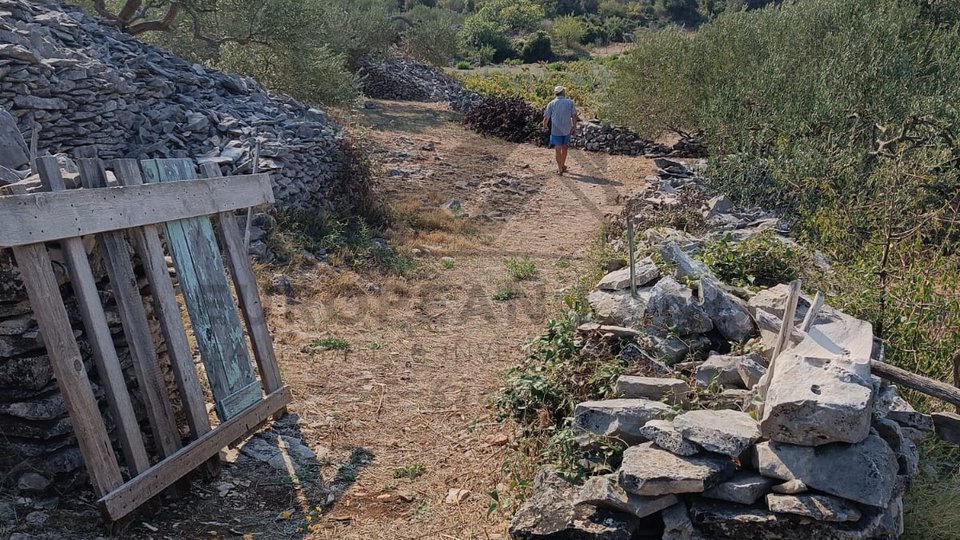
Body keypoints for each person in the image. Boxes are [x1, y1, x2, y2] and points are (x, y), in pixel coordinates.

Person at [542, 86, 579, 175]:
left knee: (557, 149)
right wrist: (574, 127)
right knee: (565, 148)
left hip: (555, 130)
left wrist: (545, 125)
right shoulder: (569, 102)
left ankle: (560, 168)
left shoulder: (551, 103)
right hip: (567, 129)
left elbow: (546, 117)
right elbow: (574, 116)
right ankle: (562, 165)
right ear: (563, 92)